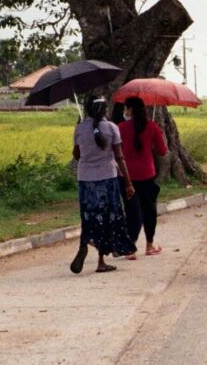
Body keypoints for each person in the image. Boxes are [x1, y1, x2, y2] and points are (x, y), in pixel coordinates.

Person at [70, 97, 136, 273]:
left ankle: (85, 242)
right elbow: (120, 157)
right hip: (107, 178)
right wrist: (128, 183)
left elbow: (77, 155)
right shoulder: (112, 128)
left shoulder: (80, 128)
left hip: (85, 179)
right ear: (105, 110)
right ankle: (101, 261)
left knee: (89, 215)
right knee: (107, 217)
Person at [117, 96, 167, 256]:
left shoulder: (120, 128)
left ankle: (130, 248)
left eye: (125, 108)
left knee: (131, 211)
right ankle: (149, 245)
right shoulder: (152, 127)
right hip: (147, 175)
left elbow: (116, 152)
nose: (124, 111)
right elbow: (162, 151)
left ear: (130, 110)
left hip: (126, 177)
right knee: (149, 211)